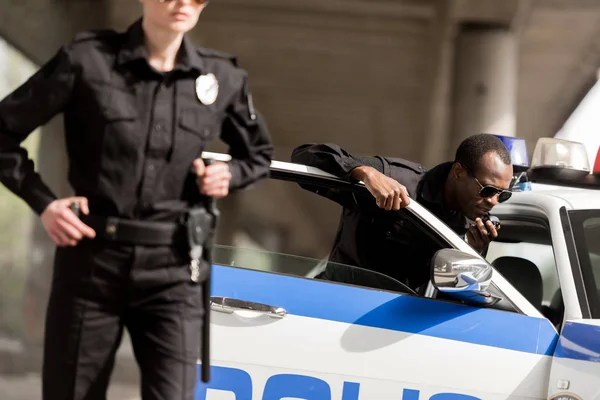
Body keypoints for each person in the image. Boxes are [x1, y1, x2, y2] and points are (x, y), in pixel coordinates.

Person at [0, 0, 274, 398]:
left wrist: (228, 173)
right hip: (91, 262)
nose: (184, 3)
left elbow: (259, 155)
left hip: (175, 272)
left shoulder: (222, 77)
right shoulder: (87, 59)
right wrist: (44, 203)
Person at [291, 133, 513, 290]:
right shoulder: (396, 179)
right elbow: (303, 156)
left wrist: (472, 253)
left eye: (503, 194)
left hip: (399, 325)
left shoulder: (472, 225)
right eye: (488, 189)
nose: (493, 201)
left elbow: (448, 290)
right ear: (458, 172)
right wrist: (364, 173)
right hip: (339, 303)